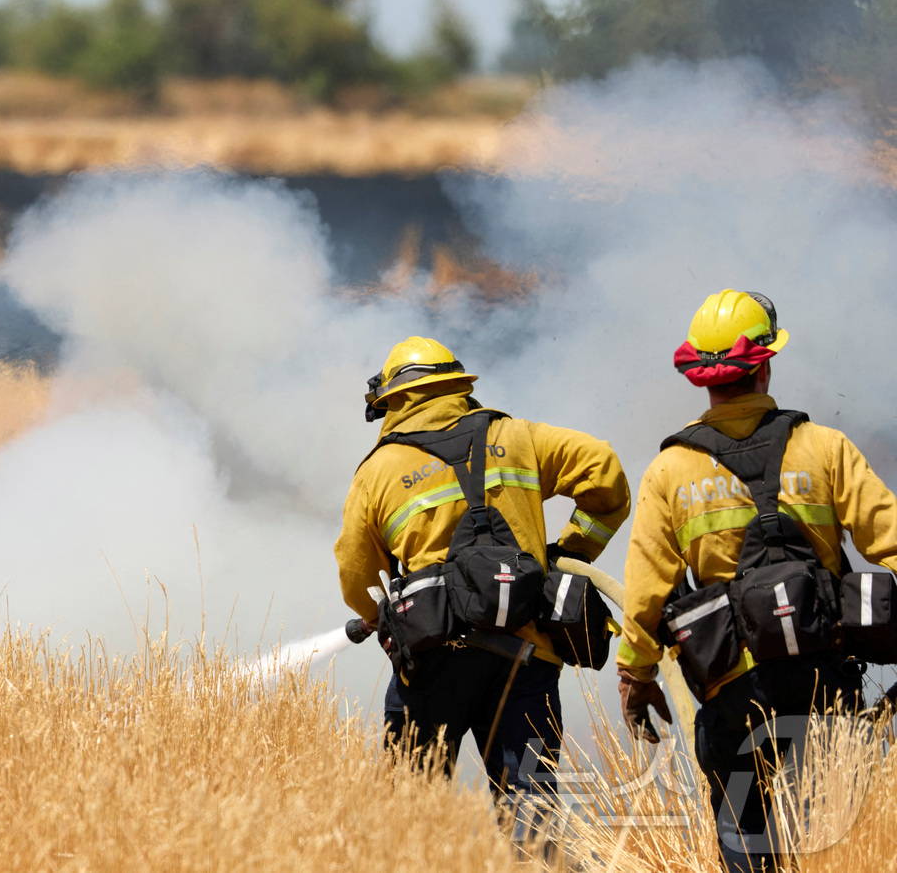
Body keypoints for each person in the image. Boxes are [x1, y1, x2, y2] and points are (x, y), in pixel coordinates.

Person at [616, 289, 897, 873]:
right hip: (826, 685)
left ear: (701, 378)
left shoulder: (670, 470)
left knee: (746, 841)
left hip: (734, 692)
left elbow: (646, 592)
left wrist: (635, 676)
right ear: (764, 365)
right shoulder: (825, 448)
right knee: (833, 837)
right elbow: (891, 540)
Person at [335, 335, 631, 823]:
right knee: (530, 810)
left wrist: (379, 616)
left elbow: (356, 575)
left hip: (432, 662)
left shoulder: (376, 472)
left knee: (410, 814)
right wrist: (569, 551)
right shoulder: (518, 437)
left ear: (392, 401)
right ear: (458, 386)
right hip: (528, 658)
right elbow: (605, 471)